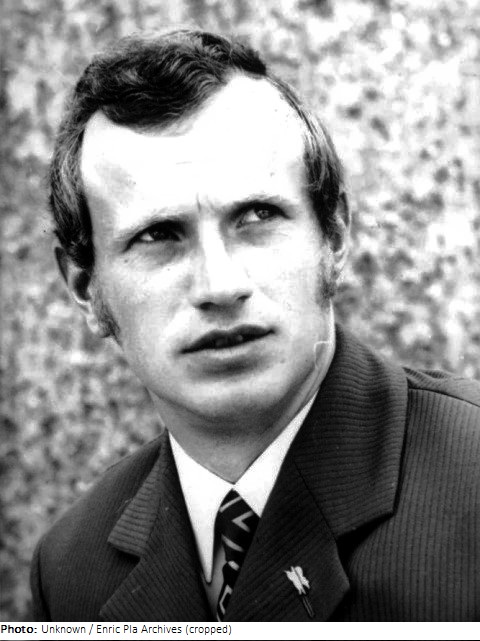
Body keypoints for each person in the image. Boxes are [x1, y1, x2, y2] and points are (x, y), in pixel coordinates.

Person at [31, 29, 480, 622]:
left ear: (334, 236)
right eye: (158, 235)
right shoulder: (71, 567)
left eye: (257, 216)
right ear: (85, 287)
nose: (220, 286)